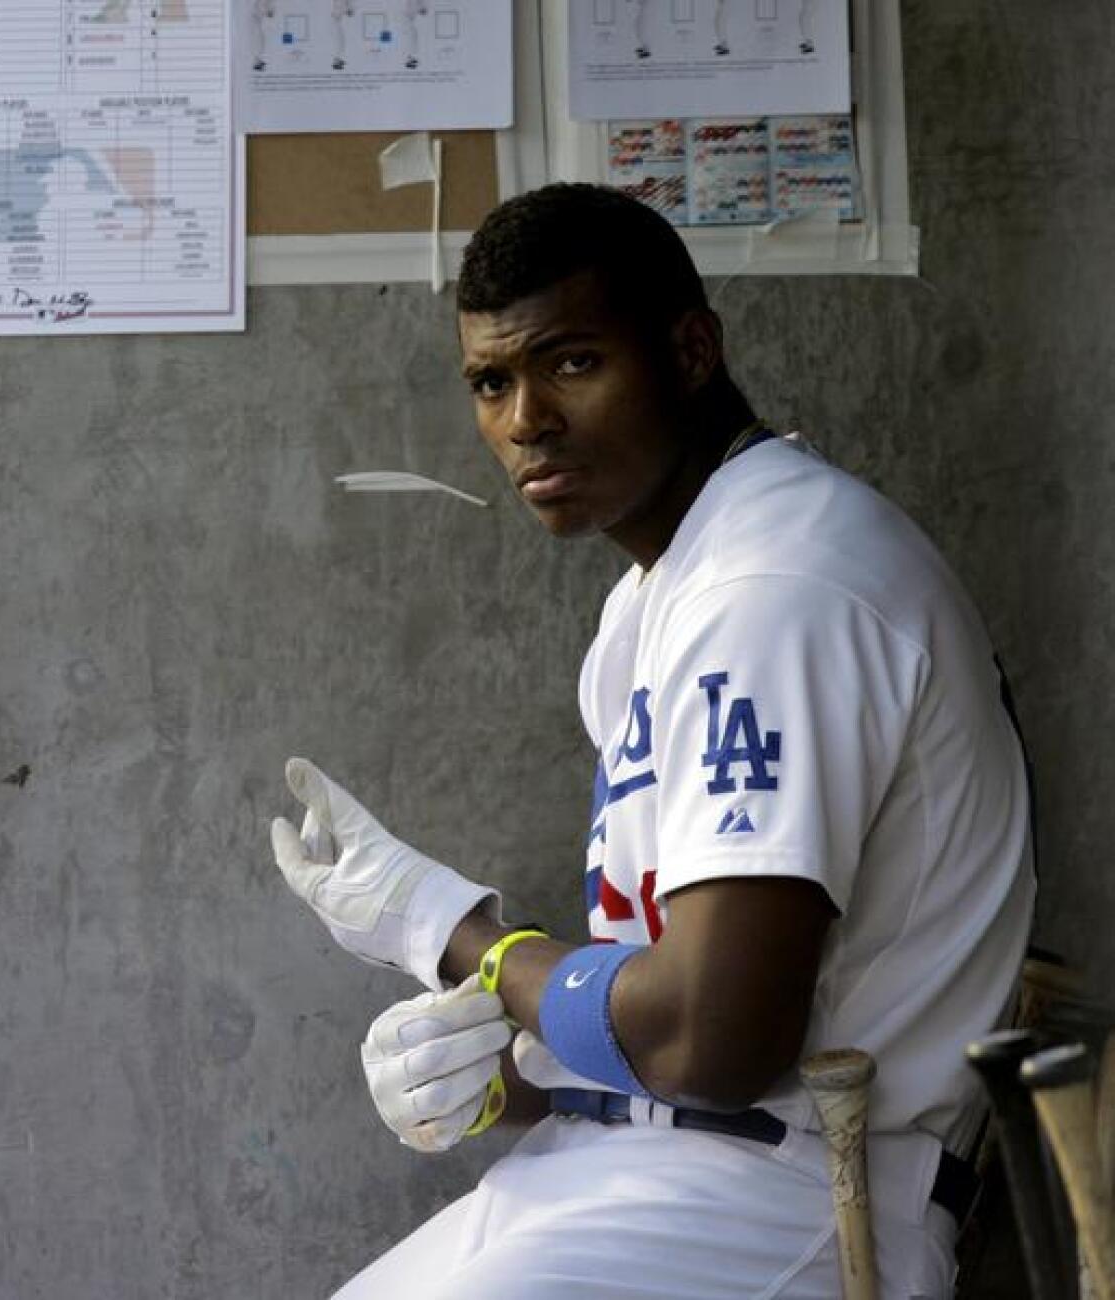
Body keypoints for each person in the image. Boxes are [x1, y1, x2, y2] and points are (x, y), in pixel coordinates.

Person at [271, 183, 1036, 1298]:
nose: (526, 417)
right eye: (493, 381)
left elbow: (719, 1039)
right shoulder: (658, 596)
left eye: (571, 362)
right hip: (645, 1161)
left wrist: (464, 938)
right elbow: (662, 994)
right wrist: (514, 1068)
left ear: (688, 350)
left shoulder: (775, 585)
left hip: (804, 1194)